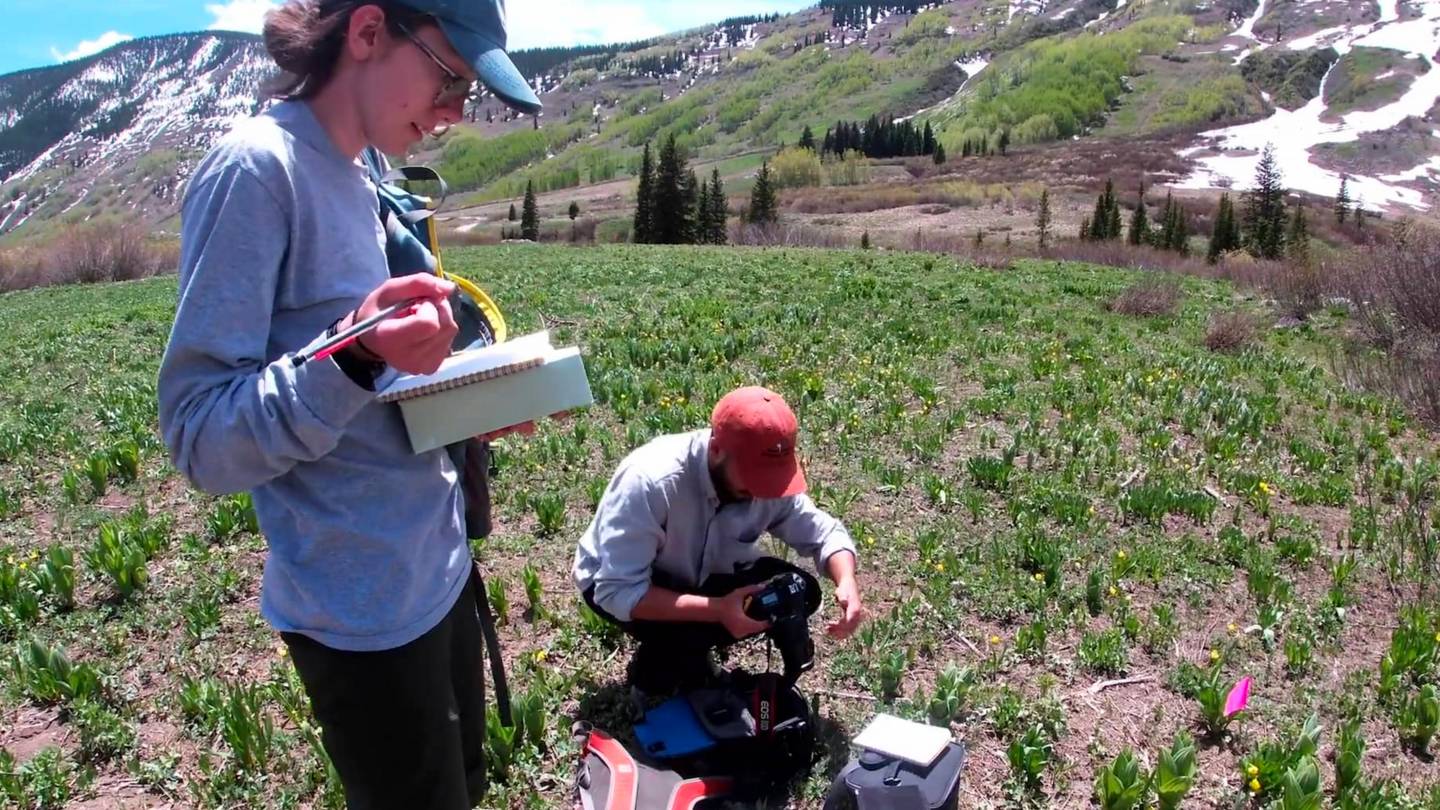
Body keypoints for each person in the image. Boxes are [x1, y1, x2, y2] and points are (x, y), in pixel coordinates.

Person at [156, 2, 541, 807]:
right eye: (449, 79)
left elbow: (370, 394)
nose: (452, 113)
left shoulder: (364, 168)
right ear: (367, 33)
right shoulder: (257, 172)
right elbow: (200, 437)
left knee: (463, 784)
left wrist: (464, 400)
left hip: (435, 568)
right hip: (361, 617)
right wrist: (356, 352)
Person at [573, 386, 866, 695]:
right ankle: (658, 669)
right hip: (620, 581)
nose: (761, 491)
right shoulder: (650, 480)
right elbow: (617, 590)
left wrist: (846, 579)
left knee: (798, 591)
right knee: (684, 641)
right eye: (753, 477)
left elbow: (824, 534)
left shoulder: (768, 482)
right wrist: (717, 609)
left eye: (771, 479)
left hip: (707, 574)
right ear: (715, 450)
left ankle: (693, 642)